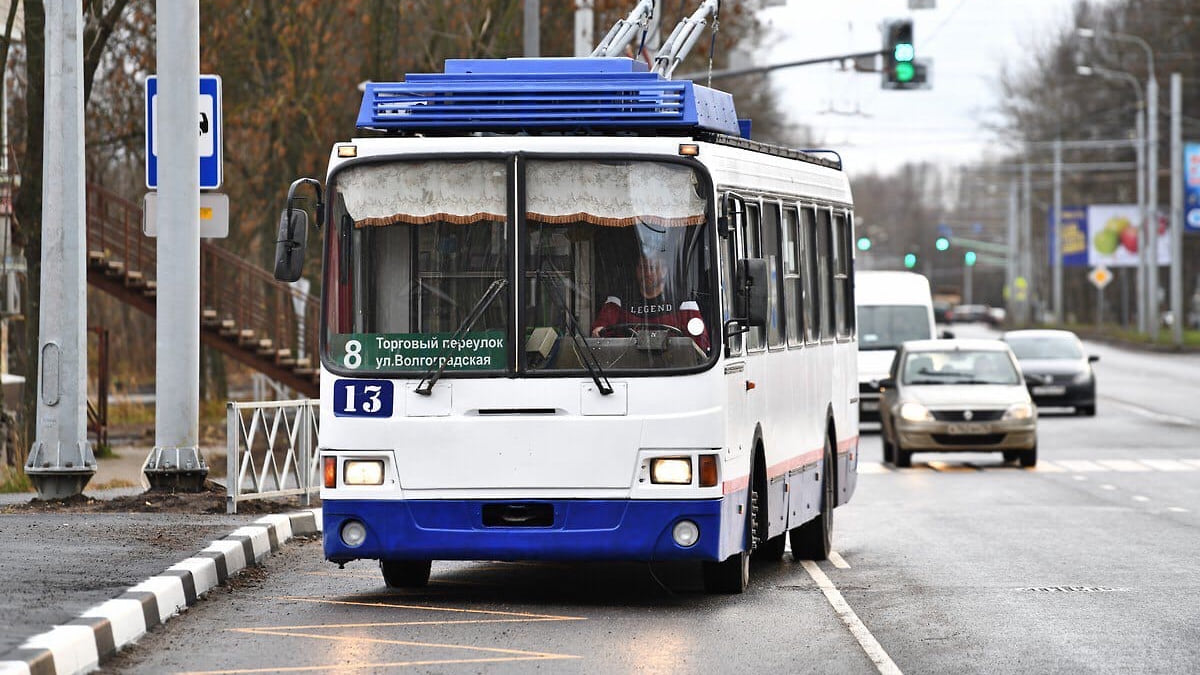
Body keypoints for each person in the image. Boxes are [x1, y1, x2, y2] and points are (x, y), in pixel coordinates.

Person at [589, 253, 710, 351]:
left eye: (652, 267)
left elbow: (700, 343)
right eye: (642, 267)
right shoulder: (619, 301)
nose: (647, 273)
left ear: (664, 271)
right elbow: (600, 329)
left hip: (673, 368)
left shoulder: (684, 302)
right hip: (628, 368)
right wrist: (599, 331)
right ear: (636, 270)